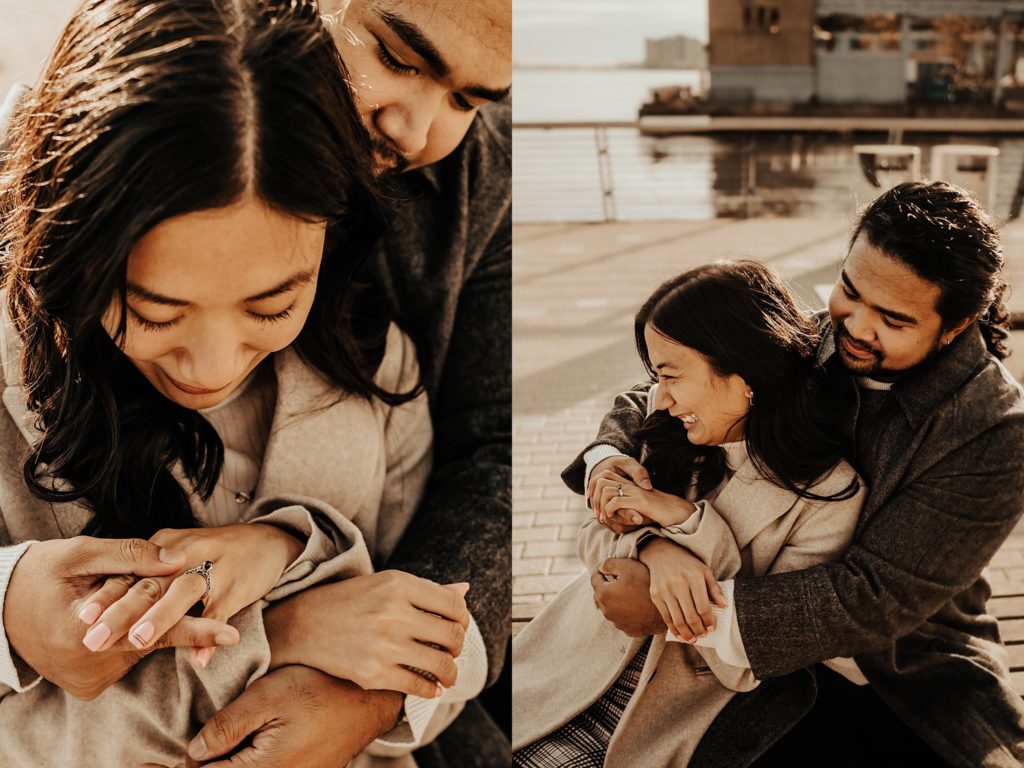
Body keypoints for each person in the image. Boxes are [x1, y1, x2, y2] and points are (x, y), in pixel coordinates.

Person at [0, 0, 512, 763]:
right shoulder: (79, 149)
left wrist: (372, 685)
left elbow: (482, 474)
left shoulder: (381, 358)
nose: (419, 132)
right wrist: (10, 609)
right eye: (398, 58)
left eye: (469, 100)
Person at [567, 182, 1024, 766]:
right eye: (850, 290)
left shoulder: (993, 431)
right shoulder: (820, 336)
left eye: (892, 318)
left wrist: (679, 611)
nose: (855, 326)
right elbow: (656, 390)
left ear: (957, 325)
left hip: (901, 667)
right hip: (742, 636)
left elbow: (873, 599)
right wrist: (623, 486)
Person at [513, 261, 866, 766]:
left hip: (676, 712)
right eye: (657, 376)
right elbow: (594, 537)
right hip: (571, 661)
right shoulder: (666, 424)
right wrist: (653, 548)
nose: (662, 394)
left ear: (744, 376)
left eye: (671, 375)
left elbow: (758, 651)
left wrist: (685, 521)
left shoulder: (830, 496)